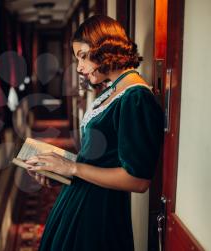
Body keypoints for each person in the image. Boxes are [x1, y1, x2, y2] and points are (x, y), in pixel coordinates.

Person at [25, 15, 164, 251]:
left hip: (99, 212)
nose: (79, 67)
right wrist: (58, 170)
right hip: (79, 198)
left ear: (104, 48)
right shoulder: (114, 89)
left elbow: (138, 180)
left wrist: (72, 168)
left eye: (82, 56)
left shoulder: (136, 97)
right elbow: (98, 157)